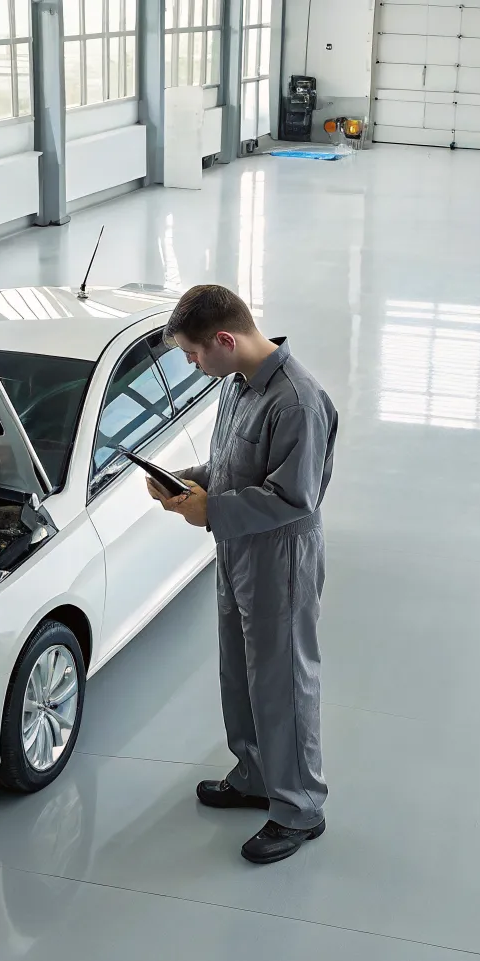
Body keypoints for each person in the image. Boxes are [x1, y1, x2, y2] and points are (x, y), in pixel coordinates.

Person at [149, 284, 338, 865]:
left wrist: (214, 511)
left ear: (224, 340)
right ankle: (256, 775)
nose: (192, 364)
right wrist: (187, 479)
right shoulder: (236, 387)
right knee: (242, 672)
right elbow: (233, 465)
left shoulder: (298, 401)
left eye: (194, 353)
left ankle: (299, 808)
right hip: (238, 551)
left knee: (282, 682)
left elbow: (295, 496)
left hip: (279, 558)